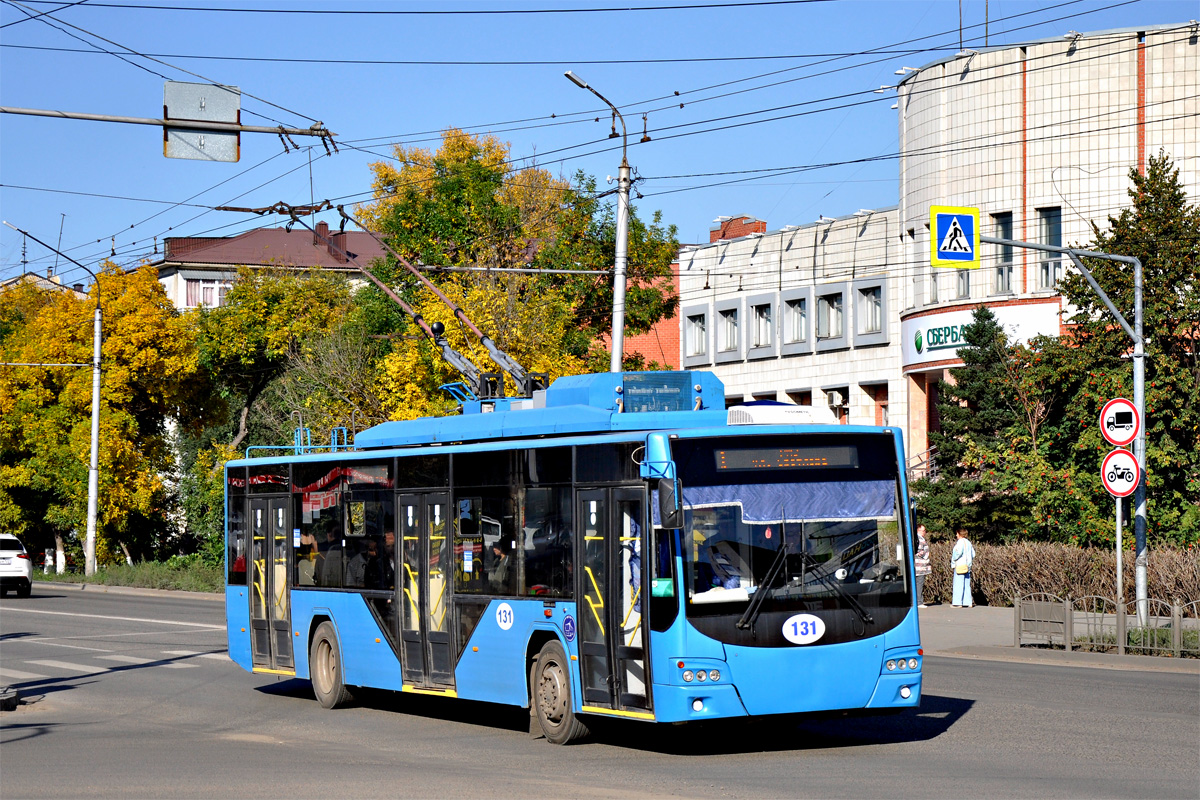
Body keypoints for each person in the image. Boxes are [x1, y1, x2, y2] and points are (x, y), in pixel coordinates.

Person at [950, 528, 976, 607]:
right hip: (967, 566)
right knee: (966, 584)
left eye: (957, 533)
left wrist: (954, 558)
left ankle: (958, 603)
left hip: (960, 565)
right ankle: (968, 602)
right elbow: (973, 554)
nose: (956, 535)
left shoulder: (960, 542)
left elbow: (958, 553)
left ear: (960, 534)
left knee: (958, 584)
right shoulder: (968, 542)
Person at [914, 524, 932, 607]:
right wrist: (926, 557)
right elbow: (920, 551)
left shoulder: (918, 538)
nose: (925, 532)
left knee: (918, 583)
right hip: (920, 565)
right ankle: (919, 602)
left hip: (919, 564)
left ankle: (918, 601)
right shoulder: (919, 539)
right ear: (919, 530)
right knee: (919, 583)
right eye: (923, 530)